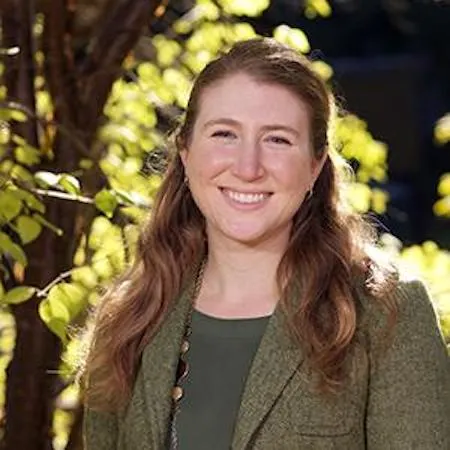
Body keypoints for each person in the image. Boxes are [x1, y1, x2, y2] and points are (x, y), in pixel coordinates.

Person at [82, 38, 450, 449]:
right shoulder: (132, 317)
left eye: (277, 139)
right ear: (185, 153)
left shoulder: (386, 316)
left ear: (315, 166)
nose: (248, 167)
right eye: (224, 134)